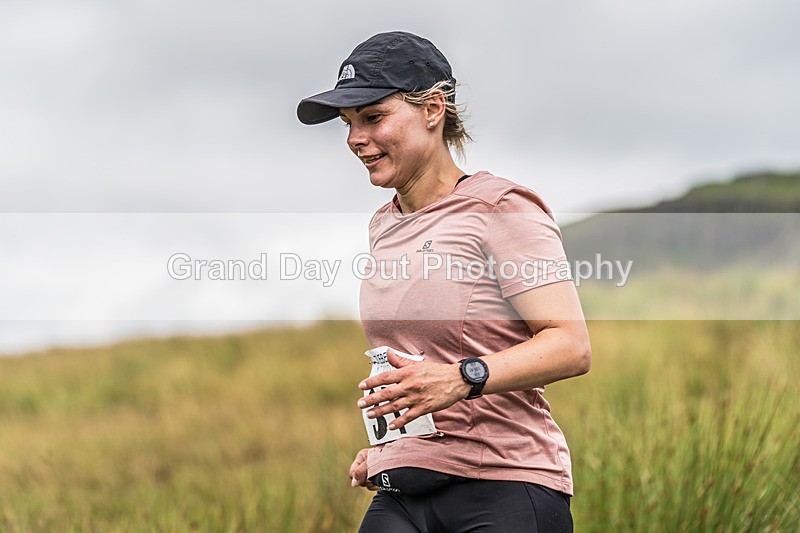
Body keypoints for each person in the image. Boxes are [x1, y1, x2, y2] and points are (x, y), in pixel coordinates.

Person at [297, 31, 591, 533]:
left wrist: (461, 377)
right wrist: (392, 449)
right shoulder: (383, 224)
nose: (354, 138)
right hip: (406, 493)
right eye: (348, 123)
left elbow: (571, 346)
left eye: (373, 117)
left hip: (505, 486)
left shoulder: (501, 208)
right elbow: (416, 363)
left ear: (433, 109)